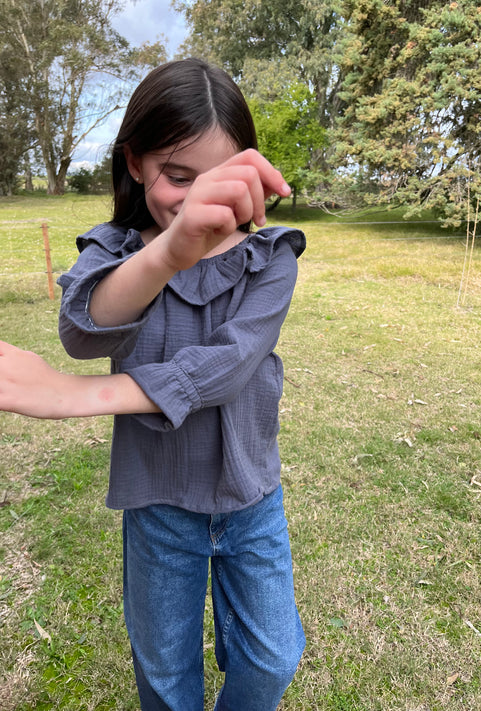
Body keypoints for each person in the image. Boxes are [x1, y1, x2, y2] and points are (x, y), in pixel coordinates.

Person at [0, 58, 306, 710]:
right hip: (159, 502)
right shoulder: (112, 252)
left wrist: (77, 395)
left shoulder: (270, 258)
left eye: (213, 179)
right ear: (135, 162)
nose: (196, 203)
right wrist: (171, 251)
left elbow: (228, 365)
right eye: (177, 177)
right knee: (165, 672)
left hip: (250, 499)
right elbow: (84, 328)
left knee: (273, 656)